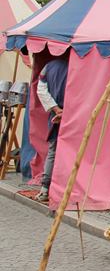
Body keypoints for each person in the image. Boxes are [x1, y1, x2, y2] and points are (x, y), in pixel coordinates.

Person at [35, 53, 68, 204]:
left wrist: (55, 109)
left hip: (57, 114)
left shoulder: (47, 68)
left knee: (53, 151)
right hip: (72, 115)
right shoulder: (74, 67)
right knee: (68, 150)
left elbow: (41, 91)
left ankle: (45, 189)